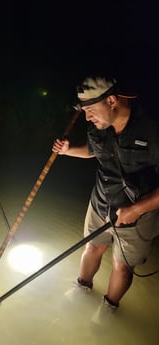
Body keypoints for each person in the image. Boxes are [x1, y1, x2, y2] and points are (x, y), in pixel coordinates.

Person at [52, 76, 159, 316]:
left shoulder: (151, 128)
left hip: (137, 215)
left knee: (121, 266)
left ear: (111, 100)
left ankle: (109, 308)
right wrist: (69, 151)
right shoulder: (99, 127)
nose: (87, 117)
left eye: (90, 110)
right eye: (84, 111)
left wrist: (137, 209)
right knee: (92, 246)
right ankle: (81, 288)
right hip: (101, 202)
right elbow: (93, 151)